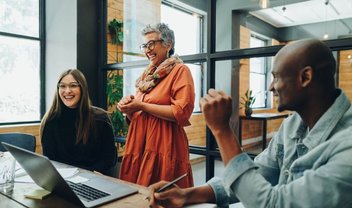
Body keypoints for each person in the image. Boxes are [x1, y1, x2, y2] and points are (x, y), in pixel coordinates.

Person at [148, 39, 352, 208]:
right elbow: (257, 174)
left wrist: (222, 130)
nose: (271, 87)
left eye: (276, 77)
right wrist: (187, 195)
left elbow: (272, 204)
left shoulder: (347, 147)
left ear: (305, 77)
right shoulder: (293, 125)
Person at [117, 23, 195, 188]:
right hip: (139, 144)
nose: (147, 50)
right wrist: (129, 109)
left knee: (163, 196)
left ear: (168, 44)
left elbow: (181, 112)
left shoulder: (180, 71)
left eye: (151, 44)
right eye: (144, 45)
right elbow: (137, 115)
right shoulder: (147, 76)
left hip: (164, 146)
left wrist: (142, 105)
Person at [40, 69, 117, 176]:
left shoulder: (100, 118)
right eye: (62, 86)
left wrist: (87, 174)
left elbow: (109, 159)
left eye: (73, 85)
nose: (67, 91)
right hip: (63, 180)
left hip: (94, 178)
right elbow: (50, 159)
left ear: (82, 88)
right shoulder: (50, 119)